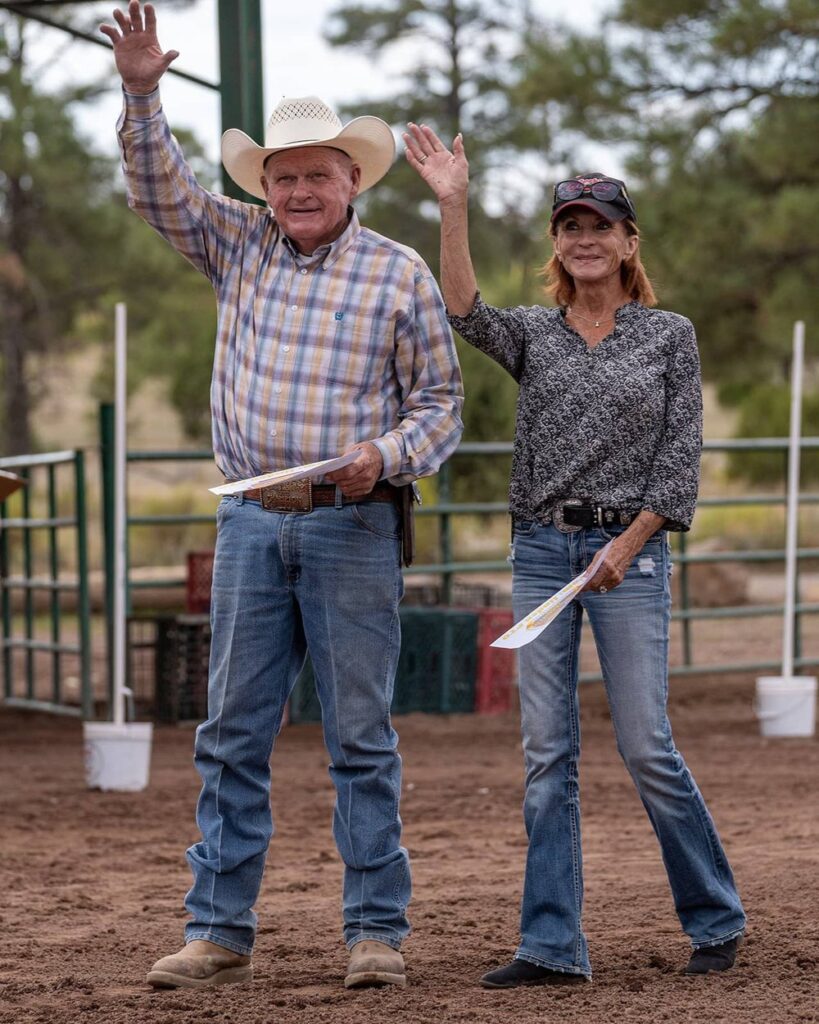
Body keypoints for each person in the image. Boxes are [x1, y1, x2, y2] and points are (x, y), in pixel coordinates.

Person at [101, 3, 463, 992]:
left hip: (353, 523)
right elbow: (157, 190)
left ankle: (376, 931)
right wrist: (142, 93)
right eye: (285, 175)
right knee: (232, 731)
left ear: (353, 180)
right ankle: (218, 928)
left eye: (318, 173)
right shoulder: (237, 244)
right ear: (265, 184)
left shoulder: (399, 273)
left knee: (359, 733)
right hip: (254, 521)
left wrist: (384, 457)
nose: (301, 189)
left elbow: (441, 404)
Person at [404, 123, 746, 986]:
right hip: (539, 552)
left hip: (625, 557)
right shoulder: (532, 334)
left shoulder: (669, 336)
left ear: (629, 243)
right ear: (556, 243)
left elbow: (677, 465)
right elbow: (461, 311)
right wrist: (452, 206)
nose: (585, 238)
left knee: (644, 745)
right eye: (570, 226)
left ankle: (714, 915)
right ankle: (551, 945)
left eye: (601, 225)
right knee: (546, 755)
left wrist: (625, 548)